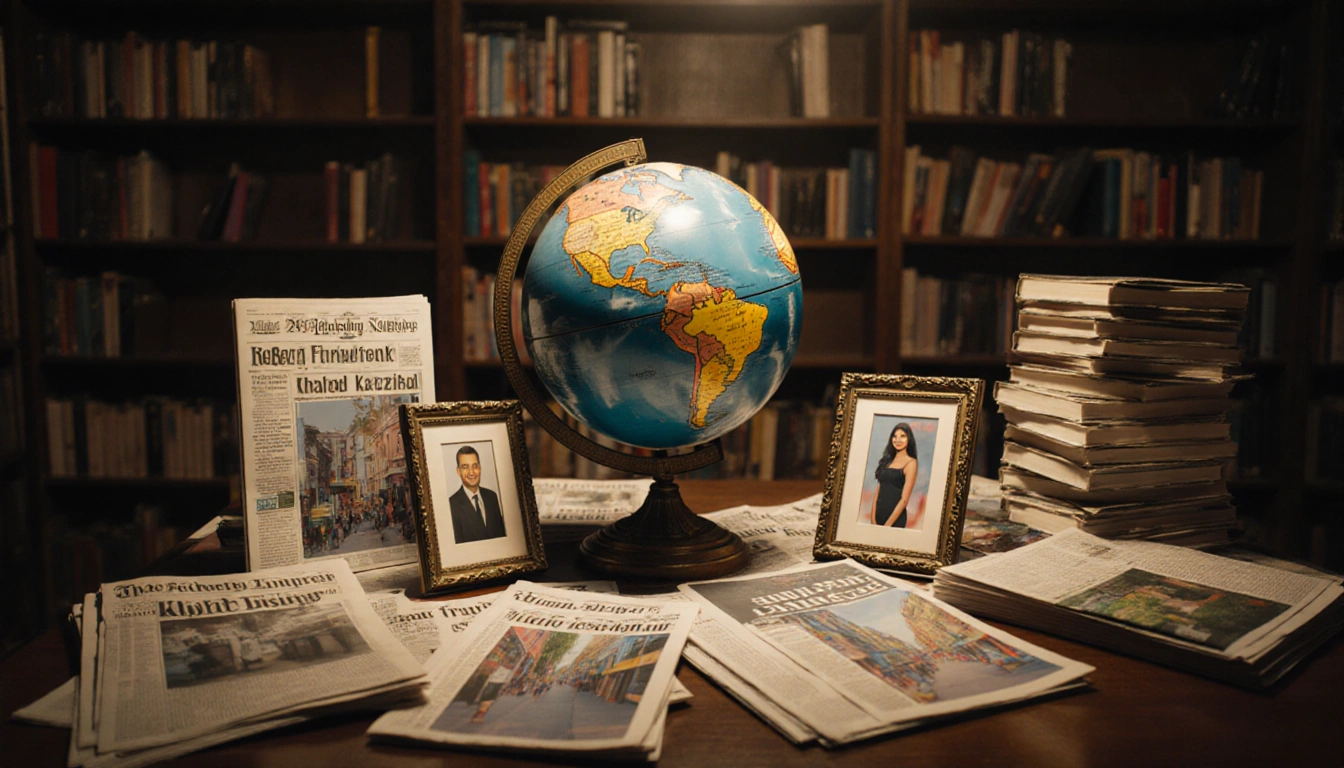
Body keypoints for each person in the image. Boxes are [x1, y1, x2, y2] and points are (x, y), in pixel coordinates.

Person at [448, 445, 507, 543]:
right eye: (465, 467)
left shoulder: (492, 497)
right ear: (458, 471)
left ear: (480, 468)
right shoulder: (452, 504)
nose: (471, 472)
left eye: (474, 466)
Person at [870, 422, 918, 528]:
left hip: (895, 520)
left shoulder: (911, 463)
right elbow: (877, 492)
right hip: (878, 517)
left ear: (909, 439)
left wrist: (888, 525)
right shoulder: (887, 461)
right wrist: (873, 520)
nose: (898, 440)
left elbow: (904, 499)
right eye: (894, 436)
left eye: (902, 436)